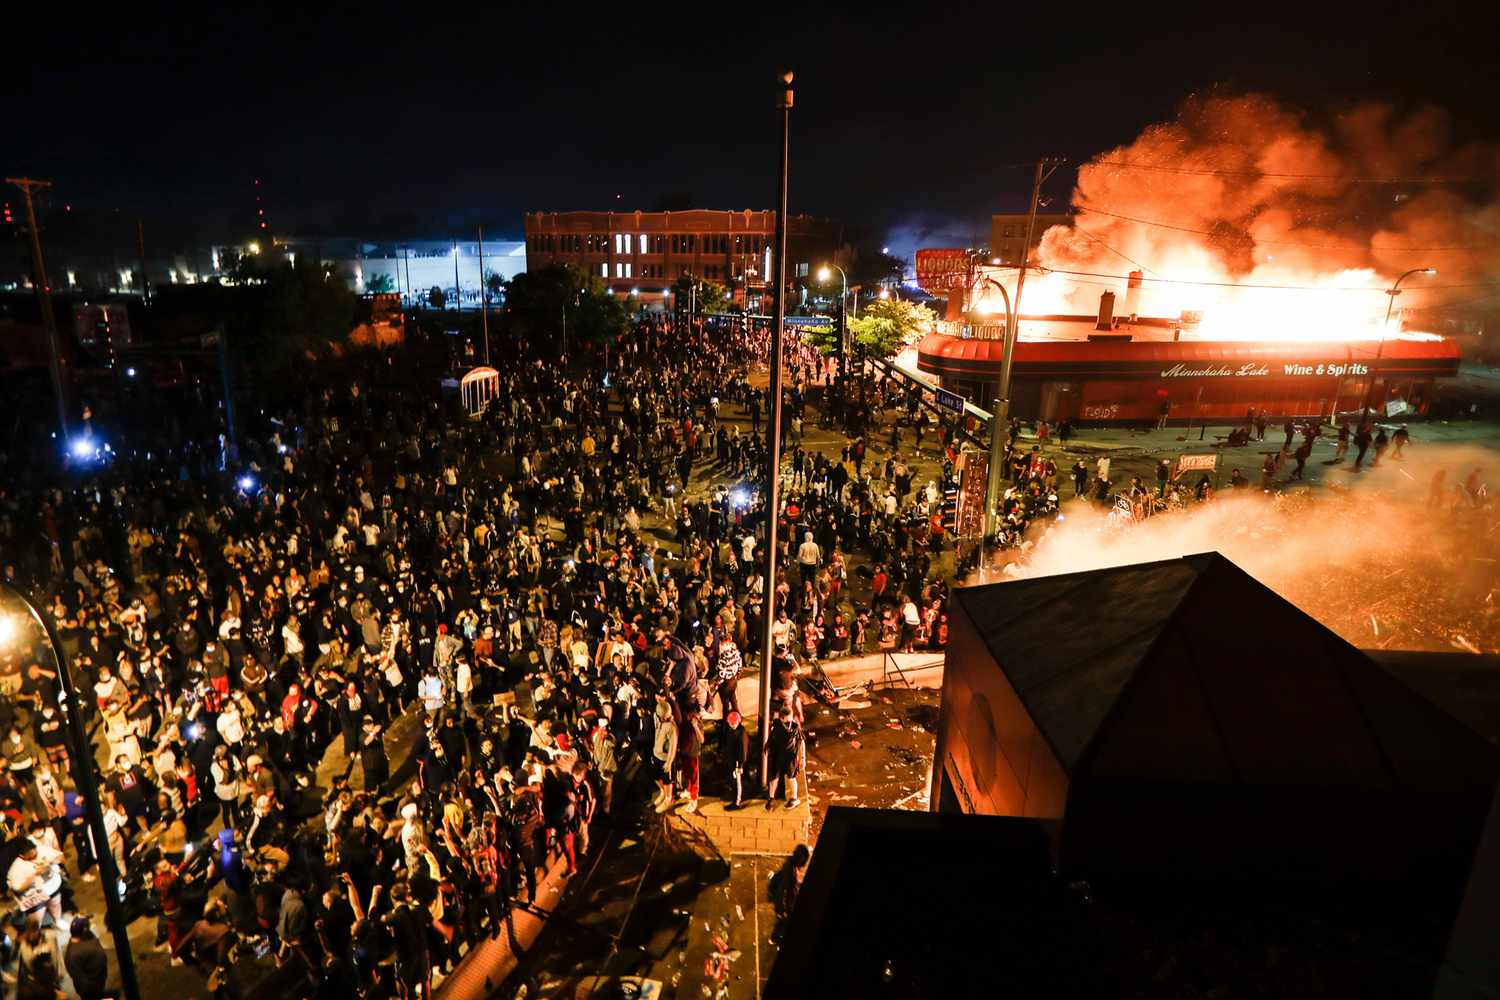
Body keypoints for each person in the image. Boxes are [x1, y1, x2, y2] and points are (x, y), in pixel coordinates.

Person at [65, 916, 109, 1000]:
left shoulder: (84, 937)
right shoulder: (73, 956)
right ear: (84, 930)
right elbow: (81, 980)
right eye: (88, 927)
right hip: (91, 990)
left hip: (98, 982)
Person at [721, 710, 748, 810]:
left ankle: (737, 801)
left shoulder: (741, 734)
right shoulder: (732, 730)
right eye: (731, 723)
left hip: (737, 762)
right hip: (732, 760)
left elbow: (743, 751)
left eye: (734, 723)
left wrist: (740, 765)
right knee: (734, 780)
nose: (732, 725)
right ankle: (734, 797)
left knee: (738, 781)